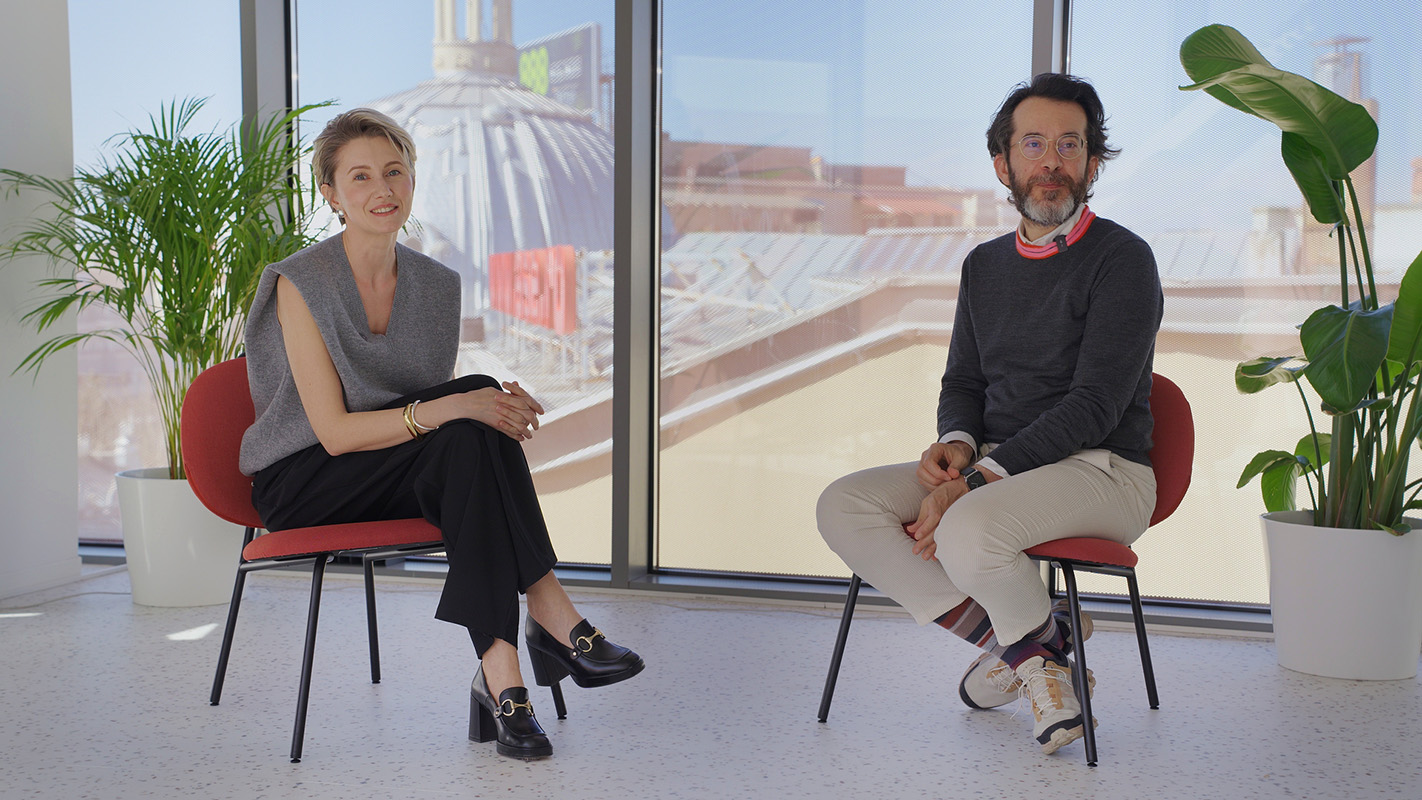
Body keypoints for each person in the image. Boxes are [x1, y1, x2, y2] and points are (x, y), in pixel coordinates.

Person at [238, 108, 643, 761]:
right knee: (469, 407)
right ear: (331, 194)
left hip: (391, 467)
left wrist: (475, 406)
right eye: (361, 176)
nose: (383, 189)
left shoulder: (434, 285)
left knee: (471, 425)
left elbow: (432, 424)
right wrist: (467, 403)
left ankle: (504, 679)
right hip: (308, 480)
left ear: (412, 179)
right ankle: (551, 615)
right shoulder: (300, 283)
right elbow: (335, 434)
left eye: (394, 171)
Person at [816, 73, 1162, 756]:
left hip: (1105, 472)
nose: (1051, 161)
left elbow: (1094, 406)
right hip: (999, 469)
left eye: (1069, 145)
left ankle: (1032, 650)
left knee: (968, 527)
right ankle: (1039, 652)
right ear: (1003, 164)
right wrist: (957, 443)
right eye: (1033, 144)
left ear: (1093, 164)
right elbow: (965, 380)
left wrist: (974, 483)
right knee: (844, 505)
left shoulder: (1124, 260)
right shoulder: (983, 265)